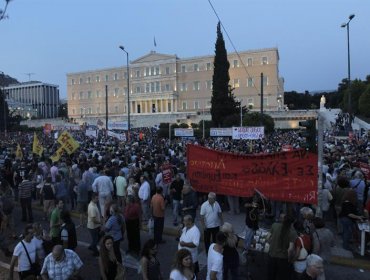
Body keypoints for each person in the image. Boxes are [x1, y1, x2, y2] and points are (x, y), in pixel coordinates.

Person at [267, 214, 297, 280]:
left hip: (272, 255)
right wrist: (289, 260)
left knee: (271, 276)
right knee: (281, 277)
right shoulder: (293, 232)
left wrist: (272, 244)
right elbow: (290, 249)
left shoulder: (274, 225)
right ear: (292, 223)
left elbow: (268, 238)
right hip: (283, 259)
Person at [87, 192, 102, 256]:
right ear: (93, 198)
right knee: (95, 240)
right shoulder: (92, 207)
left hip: (95, 226)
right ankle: (95, 252)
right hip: (93, 227)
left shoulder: (93, 204)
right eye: (96, 198)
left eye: (98, 198)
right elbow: (93, 220)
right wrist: (101, 222)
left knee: (97, 238)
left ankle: (91, 246)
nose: (98, 199)